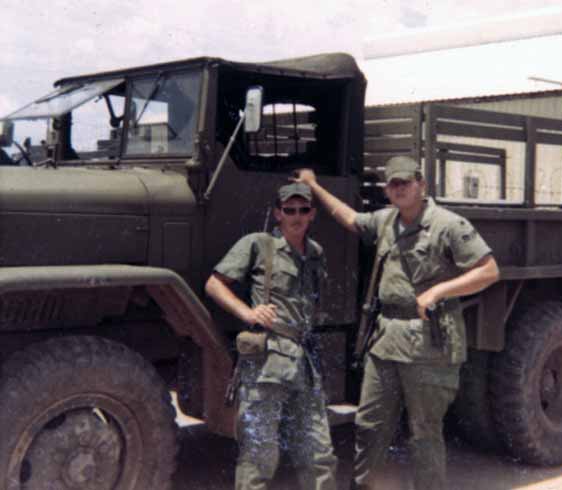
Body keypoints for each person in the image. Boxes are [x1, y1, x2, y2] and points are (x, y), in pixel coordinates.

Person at [295, 156, 500, 490]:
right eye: (393, 183)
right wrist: (314, 186)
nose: (400, 188)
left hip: (430, 344)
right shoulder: (386, 220)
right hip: (386, 339)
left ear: (422, 184)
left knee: (424, 433)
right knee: (369, 425)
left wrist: (438, 291)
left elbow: (489, 270)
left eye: (406, 182)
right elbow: (350, 218)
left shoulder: (448, 225)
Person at [204, 182, 337, 490]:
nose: (297, 216)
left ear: (312, 214)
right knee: (260, 454)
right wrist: (247, 313)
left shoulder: (316, 253)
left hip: (304, 363)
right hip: (267, 365)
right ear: (278, 213)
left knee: (319, 453)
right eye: (289, 210)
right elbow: (214, 284)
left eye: (303, 210)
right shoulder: (258, 245)